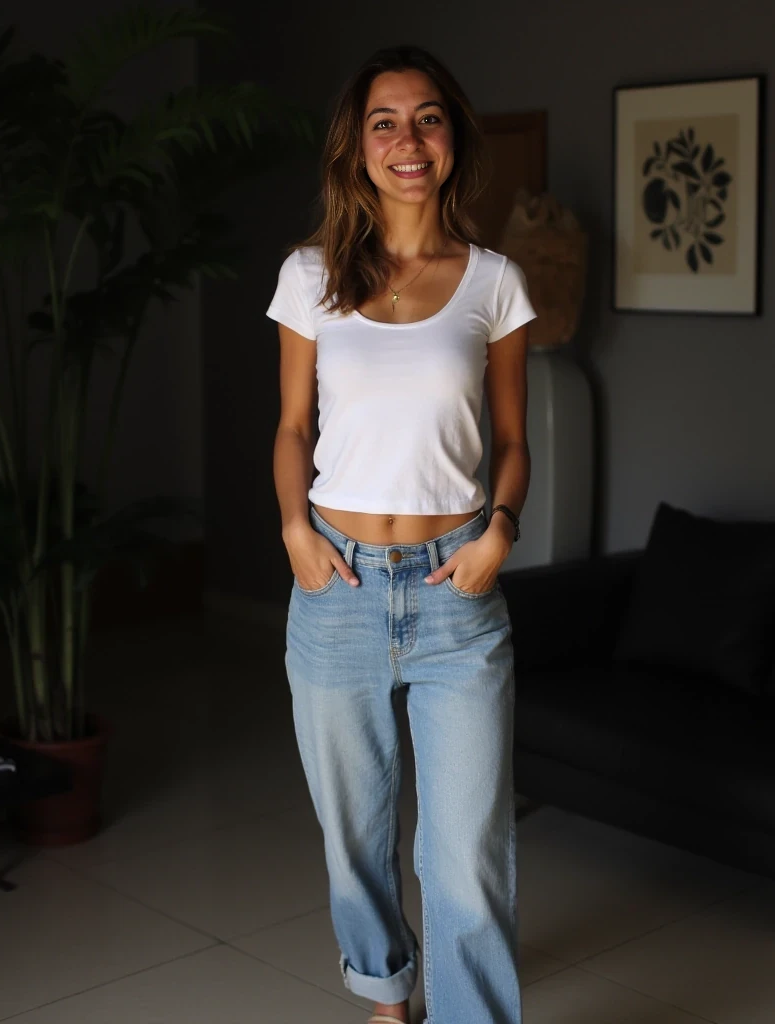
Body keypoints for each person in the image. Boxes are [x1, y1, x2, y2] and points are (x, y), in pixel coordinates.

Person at [267, 43, 536, 1024]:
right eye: (384, 122)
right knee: (354, 830)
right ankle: (388, 994)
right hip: (333, 585)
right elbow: (294, 426)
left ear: (453, 141)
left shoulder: (494, 282)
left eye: (427, 118)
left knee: (465, 845)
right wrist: (294, 526)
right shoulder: (308, 276)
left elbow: (512, 441)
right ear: (357, 147)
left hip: (455, 590)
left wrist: (501, 528)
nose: (406, 139)